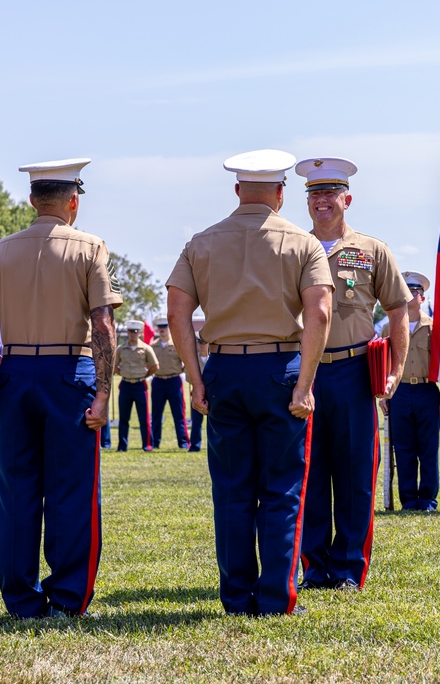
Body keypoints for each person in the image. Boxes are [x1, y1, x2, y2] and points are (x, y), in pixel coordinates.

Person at [165, 148, 332, 616]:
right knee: (281, 489)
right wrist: (305, 382)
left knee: (233, 490)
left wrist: (195, 378)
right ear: (281, 193)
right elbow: (319, 312)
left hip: (224, 369)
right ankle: (278, 598)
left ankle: (237, 598)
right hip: (280, 369)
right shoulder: (303, 243)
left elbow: (178, 311)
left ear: (238, 190)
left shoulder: (202, 241)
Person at [0, 157, 122, 618]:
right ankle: (68, 599)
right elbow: (104, 326)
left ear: (32, 200)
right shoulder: (90, 248)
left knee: (17, 491)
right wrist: (105, 394)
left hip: (15, 376)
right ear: (73, 203)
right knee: (72, 490)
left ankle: (21, 600)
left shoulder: (0, 251)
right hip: (71, 374)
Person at [297, 157, 410, 592]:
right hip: (305, 373)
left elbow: (398, 309)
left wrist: (395, 369)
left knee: (355, 473)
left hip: (353, 371)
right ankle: (314, 566)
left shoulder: (371, 250)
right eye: (314, 194)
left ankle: (347, 568)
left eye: (329, 193)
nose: (322, 201)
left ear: (347, 198)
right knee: (308, 471)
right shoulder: (293, 248)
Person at [381, 271, 440, 511]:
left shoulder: (434, 327)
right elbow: (382, 361)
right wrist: (383, 395)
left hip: (426, 391)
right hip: (399, 392)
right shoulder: (390, 326)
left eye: (416, 291)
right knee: (404, 449)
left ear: (422, 297)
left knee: (428, 449)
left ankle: (428, 499)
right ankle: (408, 500)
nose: (411, 295)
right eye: (407, 291)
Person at [116, 320, 159, 451]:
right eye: (130, 332)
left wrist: (144, 376)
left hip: (140, 385)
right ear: (127, 333)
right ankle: (122, 446)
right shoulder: (121, 349)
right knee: (123, 418)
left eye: (135, 332)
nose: (133, 334)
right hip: (125, 384)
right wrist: (123, 373)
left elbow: (155, 366)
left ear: (140, 333)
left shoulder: (146, 348)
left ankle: (147, 445)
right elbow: (114, 366)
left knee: (144, 418)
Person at [149, 316, 189, 449]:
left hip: (174, 381)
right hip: (158, 381)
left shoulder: (177, 344)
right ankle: (155, 442)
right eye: (160, 328)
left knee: (178, 414)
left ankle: (183, 442)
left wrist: (178, 371)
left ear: (169, 329)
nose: (162, 330)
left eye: (165, 327)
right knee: (156, 415)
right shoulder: (152, 345)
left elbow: (186, 362)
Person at [188, 337, 209, 452]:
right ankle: (195, 445)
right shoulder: (193, 360)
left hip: (212, 394)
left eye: (204, 343)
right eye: (200, 343)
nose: (202, 346)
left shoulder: (213, 359)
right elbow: (188, 375)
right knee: (196, 422)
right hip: (197, 393)